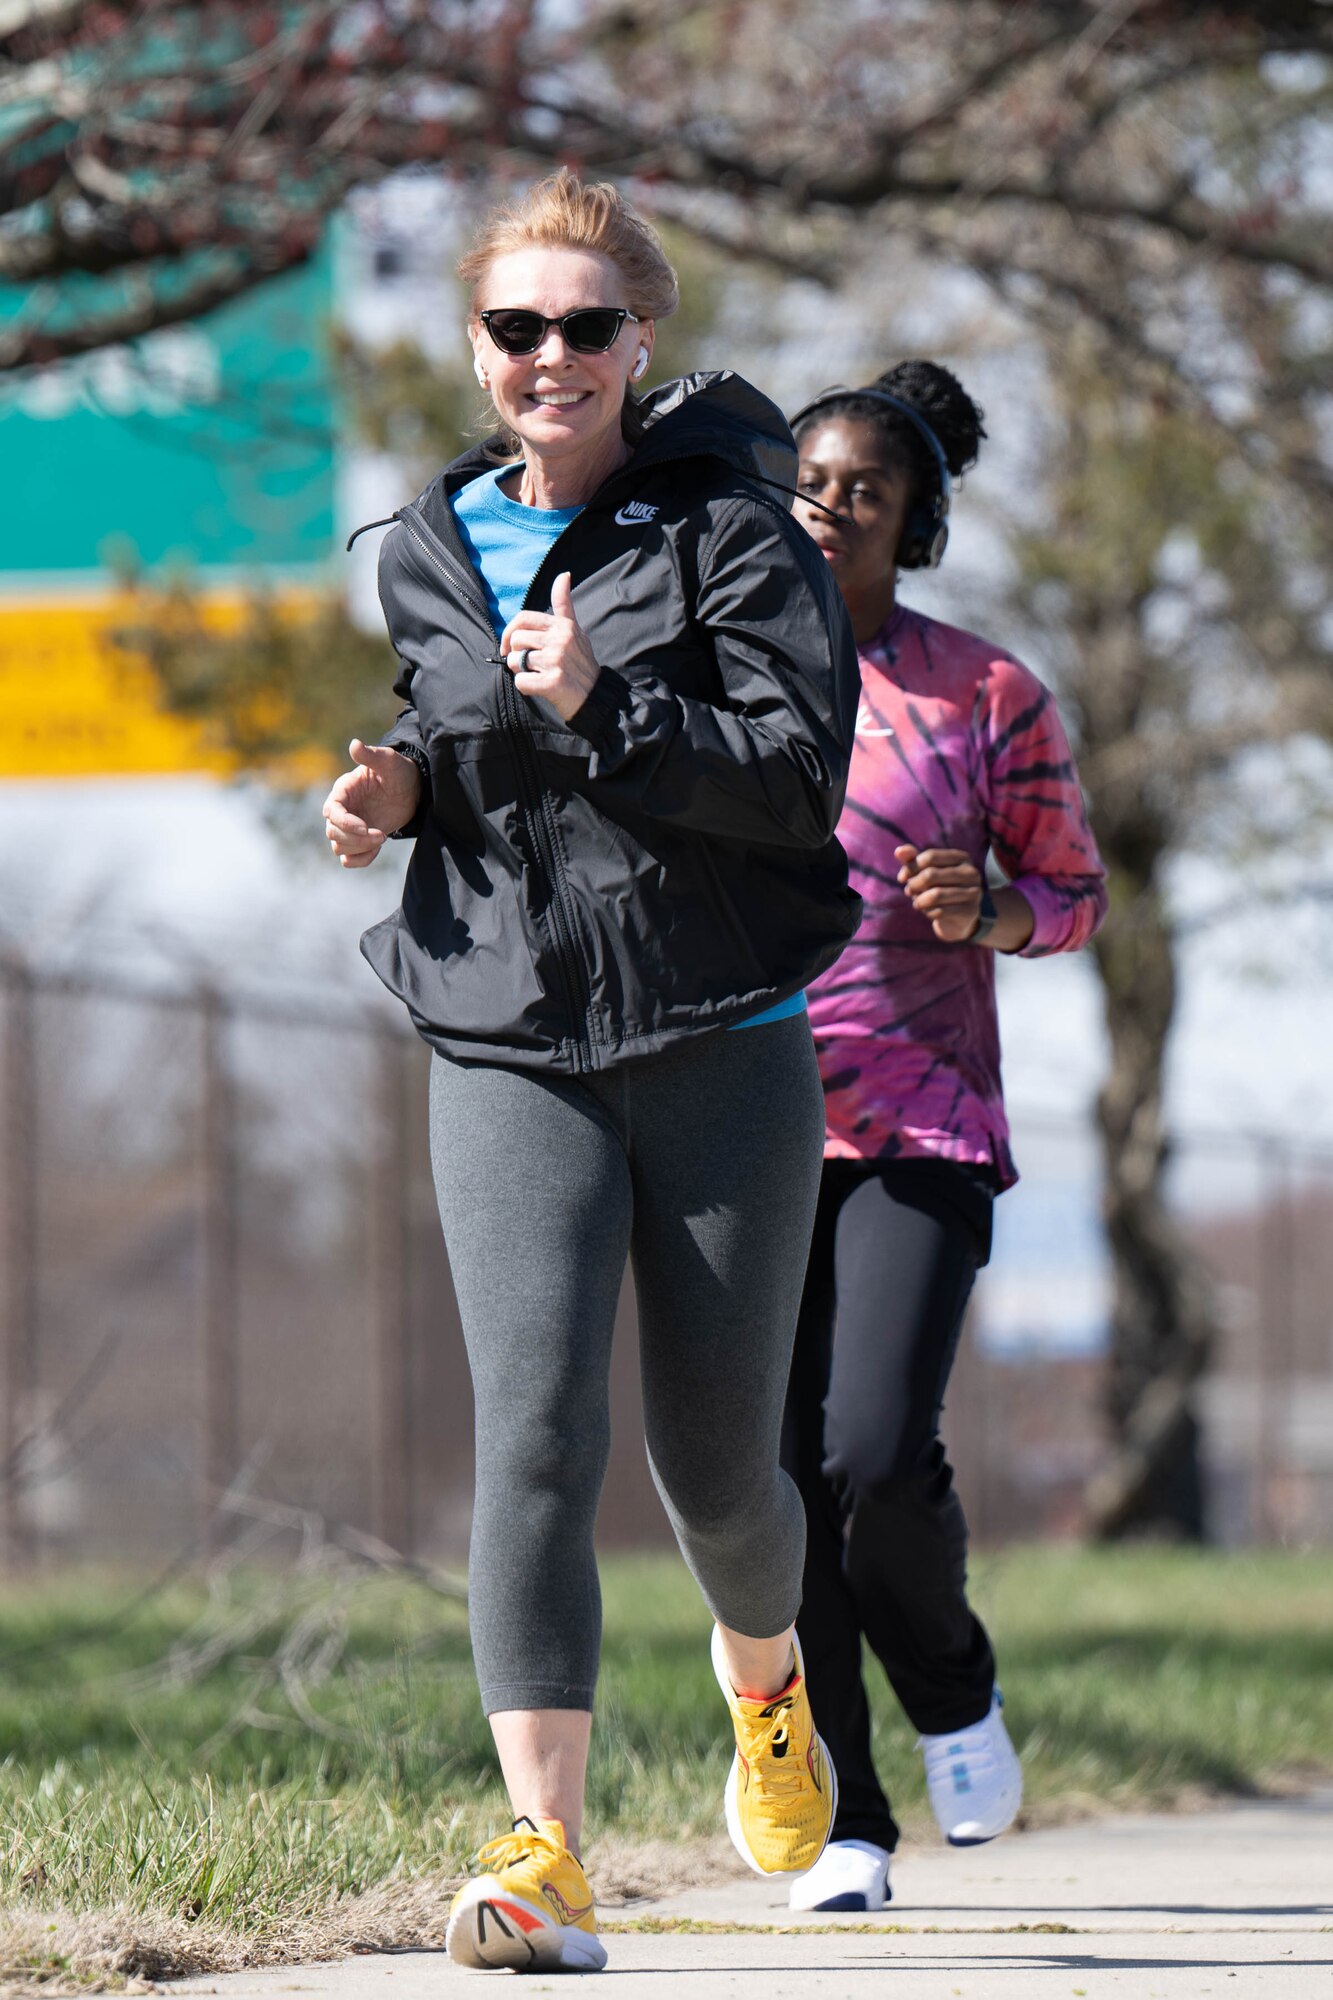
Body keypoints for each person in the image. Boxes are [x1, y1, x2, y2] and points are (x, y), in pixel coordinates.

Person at [323, 174, 861, 1974]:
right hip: (504, 1037)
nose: (547, 357)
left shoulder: (729, 535)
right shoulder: (422, 543)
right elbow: (444, 732)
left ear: (643, 343)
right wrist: (395, 782)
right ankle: (545, 1852)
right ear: (476, 348)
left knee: (718, 1471)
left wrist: (596, 707)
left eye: (583, 327)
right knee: (534, 1431)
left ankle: (768, 1689)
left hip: (720, 1037)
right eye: (513, 329)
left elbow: (795, 778)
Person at [780, 363, 1108, 1914]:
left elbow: (1075, 893)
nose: (832, 507)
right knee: (778, 1484)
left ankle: (952, 1685)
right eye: (813, 479)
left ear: (911, 528)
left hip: (917, 1123)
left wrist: (998, 909)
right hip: (736, 1125)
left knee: (870, 1453)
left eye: (869, 492)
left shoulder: (983, 695)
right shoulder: (716, 677)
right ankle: (850, 1823)